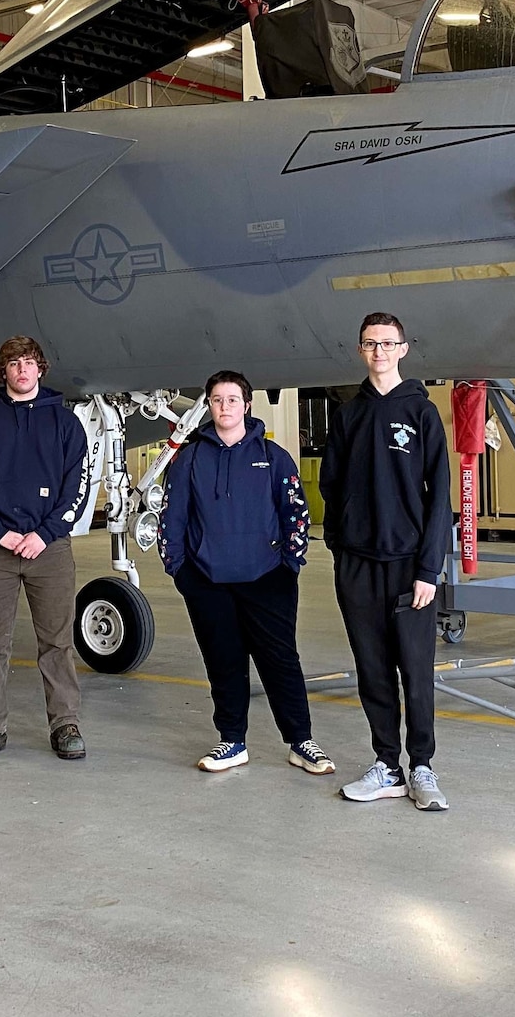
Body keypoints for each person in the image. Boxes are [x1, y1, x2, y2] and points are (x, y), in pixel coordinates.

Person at [160, 371, 335, 777]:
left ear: (247, 405)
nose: (225, 407)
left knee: (281, 662)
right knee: (224, 663)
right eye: (217, 400)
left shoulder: (274, 458)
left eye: (232, 400)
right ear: (209, 405)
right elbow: (173, 519)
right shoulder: (189, 458)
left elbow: (297, 514)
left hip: (267, 579)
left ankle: (300, 741)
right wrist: (181, 571)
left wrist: (289, 566)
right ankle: (232, 740)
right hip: (207, 582)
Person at [319, 312, 452, 811]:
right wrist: (339, 544)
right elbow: (330, 486)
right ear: (361, 351)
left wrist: (427, 569)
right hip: (356, 565)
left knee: (415, 670)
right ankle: (387, 766)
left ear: (403, 349)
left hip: (406, 565)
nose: (379, 351)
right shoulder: (348, 414)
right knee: (372, 670)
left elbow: (439, 494)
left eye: (387, 343)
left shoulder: (422, 413)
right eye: (370, 343)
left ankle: (422, 766)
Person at [0, 335, 90, 762]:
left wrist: (45, 534)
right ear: (3, 372)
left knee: (57, 642)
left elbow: (78, 486)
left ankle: (65, 724)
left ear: (40, 369)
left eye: (29, 362)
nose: (22, 370)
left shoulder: (66, 424)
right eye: (14, 363)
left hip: (49, 550)